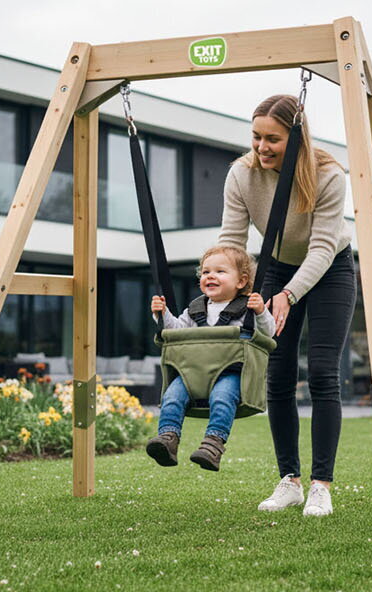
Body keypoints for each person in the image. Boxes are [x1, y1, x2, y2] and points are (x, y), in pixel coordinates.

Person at [219, 94, 355, 518]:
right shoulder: (242, 175)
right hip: (275, 267)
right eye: (256, 137)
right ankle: (290, 482)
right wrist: (226, 289)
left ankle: (320, 486)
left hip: (330, 268)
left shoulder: (328, 174)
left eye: (273, 139)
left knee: (322, 372)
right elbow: (232, 242)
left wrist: (289, 295)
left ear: (296, 138)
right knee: (277, 374)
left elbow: (322, 248)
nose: (261, 147)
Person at [146, 244, 275, 472]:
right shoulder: (195, 309)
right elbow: (175, 331)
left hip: (230, 373)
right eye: (206, 272)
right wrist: (162, 314)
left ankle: (213, 445)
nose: (210, 276)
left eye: (220, 271)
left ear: (241, 281)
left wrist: (261, 312)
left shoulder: (248, 309)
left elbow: (268, 333)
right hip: (192, 373)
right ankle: (167, 438)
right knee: (172, 396)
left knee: (222, 398)